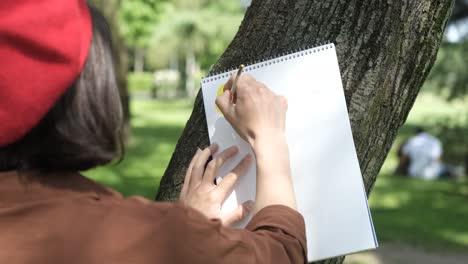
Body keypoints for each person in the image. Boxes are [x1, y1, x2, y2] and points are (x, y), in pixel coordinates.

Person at [0, 0, 306, 263]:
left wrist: (188, 234)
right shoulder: (126, 235)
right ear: (87, 96)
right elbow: (281, 253)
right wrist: (268, 138)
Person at [396, 127, 464, 180]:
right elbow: (438, 160)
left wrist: (399, 170)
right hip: (434, 174)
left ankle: (457, 172)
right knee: (448, 169)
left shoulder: (411, 141)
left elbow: (403, 159)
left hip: (414, 173)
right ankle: (459, 172)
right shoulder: (435, 141)